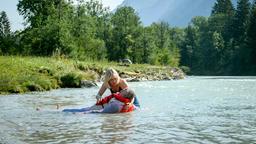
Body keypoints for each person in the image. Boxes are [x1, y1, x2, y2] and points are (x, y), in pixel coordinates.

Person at [62, 88, 135, 113]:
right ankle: (64, 110)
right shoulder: (121, 101)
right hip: (97, 107)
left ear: (125, 95)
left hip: (95, 109)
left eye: (126, 90)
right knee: (81, 109)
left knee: (80, 111)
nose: (124, 89)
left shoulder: (116, 104)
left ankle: (63, 111)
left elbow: (101, 112)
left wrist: (86, 113)